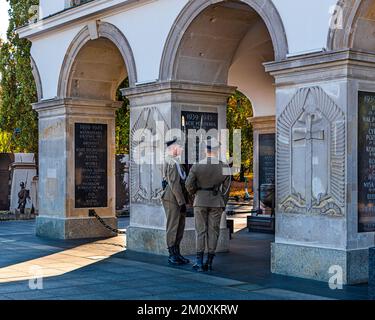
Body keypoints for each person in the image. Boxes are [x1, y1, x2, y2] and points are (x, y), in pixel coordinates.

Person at [185, 137, 231, 272]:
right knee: (213, 231)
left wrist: (195, 193)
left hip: (200, 201)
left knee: (200, 231)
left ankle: (199, 263)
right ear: (218, 150)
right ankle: (209, 262)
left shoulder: (197, 165)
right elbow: (227, 189)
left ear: (206, 150)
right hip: (217, 202)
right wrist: (223, 203)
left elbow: (188, 184)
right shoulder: (224, 166)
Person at [161, 137, 190, 266]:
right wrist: (181, 202)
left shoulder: (177, 162)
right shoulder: (171, 162)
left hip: (178, 198)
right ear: (173, 148)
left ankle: (177, 253)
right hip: (172, 199)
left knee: (180, 226)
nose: (182, 149)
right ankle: (172, 254)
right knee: (173, 227)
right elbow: (174, 184)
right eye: (180, 147)